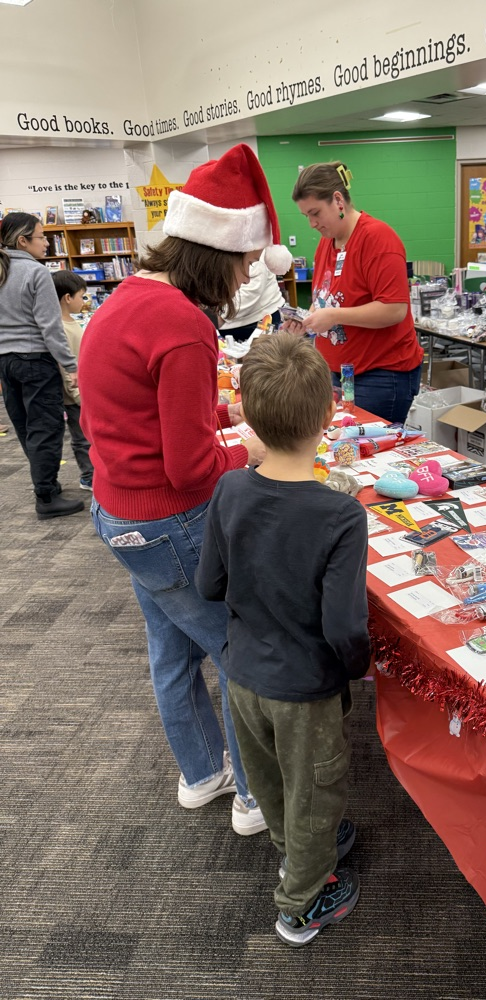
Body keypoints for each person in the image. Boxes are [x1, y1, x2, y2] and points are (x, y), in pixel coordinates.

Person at [78, 144, 292, 835]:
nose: (239, 285)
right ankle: (256, 796)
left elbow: (125, 412)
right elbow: (191, 469)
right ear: (216, 255)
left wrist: (212, 414)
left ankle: (203, 772)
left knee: (171, 652)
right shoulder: (184, 326)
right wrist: (250, 445)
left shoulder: (129, 300)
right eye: (239, 268)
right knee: (238, 649)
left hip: (120, 513)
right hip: (171, 523)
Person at [195, 333, 370, 946]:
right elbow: (344, 626)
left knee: (270, 779)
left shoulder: (229, 488)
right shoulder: (341, 515)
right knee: (317, 788)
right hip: (305, 687)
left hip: (242, 674)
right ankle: (301, 903)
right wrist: (357, 669)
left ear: (245, 412)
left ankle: (294, 848)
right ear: (329, 417)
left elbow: (208, 584)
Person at [290, 161, 423, 424]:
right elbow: (324, 299)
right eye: (306, 216)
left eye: (315, 213)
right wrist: (305, 319)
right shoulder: (327, 244)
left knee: (367, 451)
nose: (312, 224)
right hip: (338, 371)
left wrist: (334, 316)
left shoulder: (377, 239)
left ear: (338, 200)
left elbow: (394, 309)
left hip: (380, 374)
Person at [0, 213, 84, 519]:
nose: (46, 242)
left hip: (6, 362)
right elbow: (51, 328)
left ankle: (45, 482)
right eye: (41, 236)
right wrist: (70, 365)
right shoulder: (36, 273)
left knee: (24, 426)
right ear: (23, 241)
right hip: (35, 360)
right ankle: (46, 497)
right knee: (46, 428)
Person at [51, 270, 94, 491]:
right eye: (82, 296)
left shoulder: (72, 322)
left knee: (89, 435)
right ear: (68, 298)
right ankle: (88, 476)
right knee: (81, 438)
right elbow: (66, 367)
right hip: (74, 397)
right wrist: (77, 396)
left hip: (83, 393)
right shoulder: (60, 328)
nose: (84, 301)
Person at [218, 250, 286, 341]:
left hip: (257, 323)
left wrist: (220, 315)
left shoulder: (252, 248)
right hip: (233, 325)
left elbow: (250, 291)